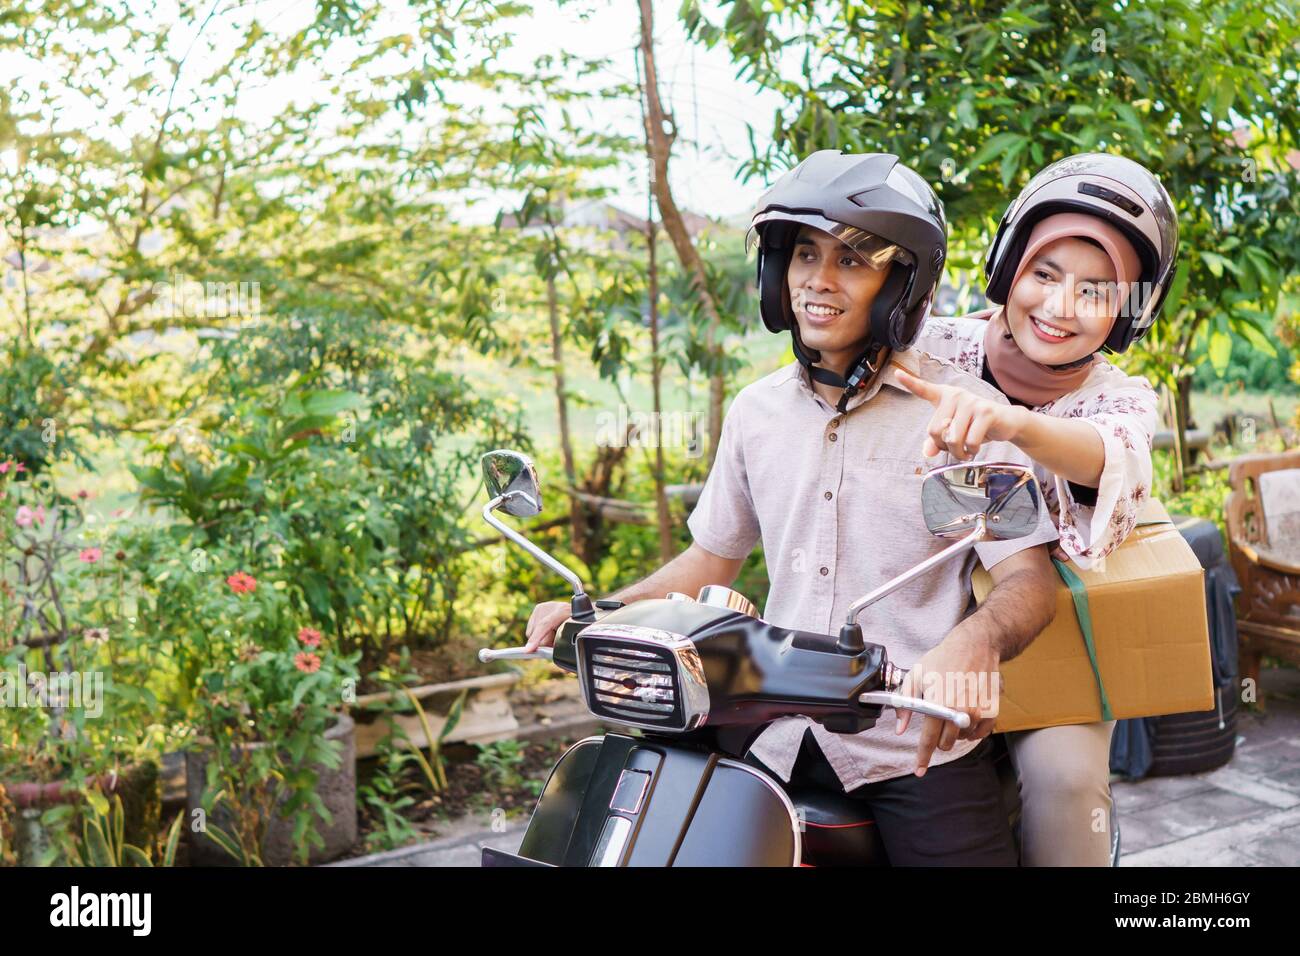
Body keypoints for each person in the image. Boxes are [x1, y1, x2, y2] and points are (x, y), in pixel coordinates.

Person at [524, 150, 1060, 865]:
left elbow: (1028, 581)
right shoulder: (757, 415)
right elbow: (711, 557)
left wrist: (974, 642)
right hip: (772, 727)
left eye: (851, 260)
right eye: (805, 254)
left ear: (902, 285)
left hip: (910, 737)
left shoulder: (958, 424)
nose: (818, 279)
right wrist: (600, 614)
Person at [907, 152, 1180, 866]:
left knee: (1064, 779)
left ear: (1130, 309)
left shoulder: (1121, 399)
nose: (1060, 308)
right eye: (1044, 275)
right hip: (907, 619)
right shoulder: (932, 346)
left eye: (1095, 290)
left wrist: (1011, 424)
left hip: (1042, 630)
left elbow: (1105, 452)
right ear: (1007, 269)